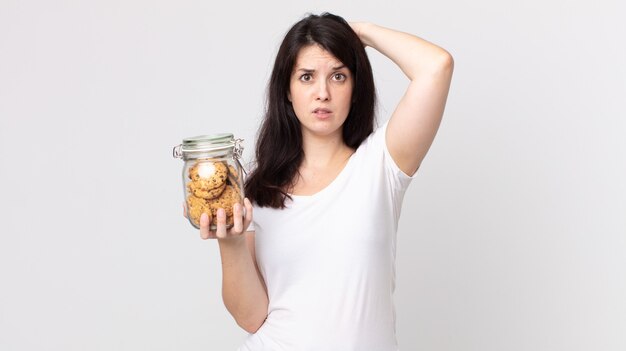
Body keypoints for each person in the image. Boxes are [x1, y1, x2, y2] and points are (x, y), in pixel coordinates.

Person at [192, 12, 453, 350]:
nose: (322, 93)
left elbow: (437, 66)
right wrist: (229, 243)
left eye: (338, 76)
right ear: (287, 91)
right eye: (306, 77)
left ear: (355, 89)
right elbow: (251, 317)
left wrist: (359, 33)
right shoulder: (258, 189)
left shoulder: (381, 163)